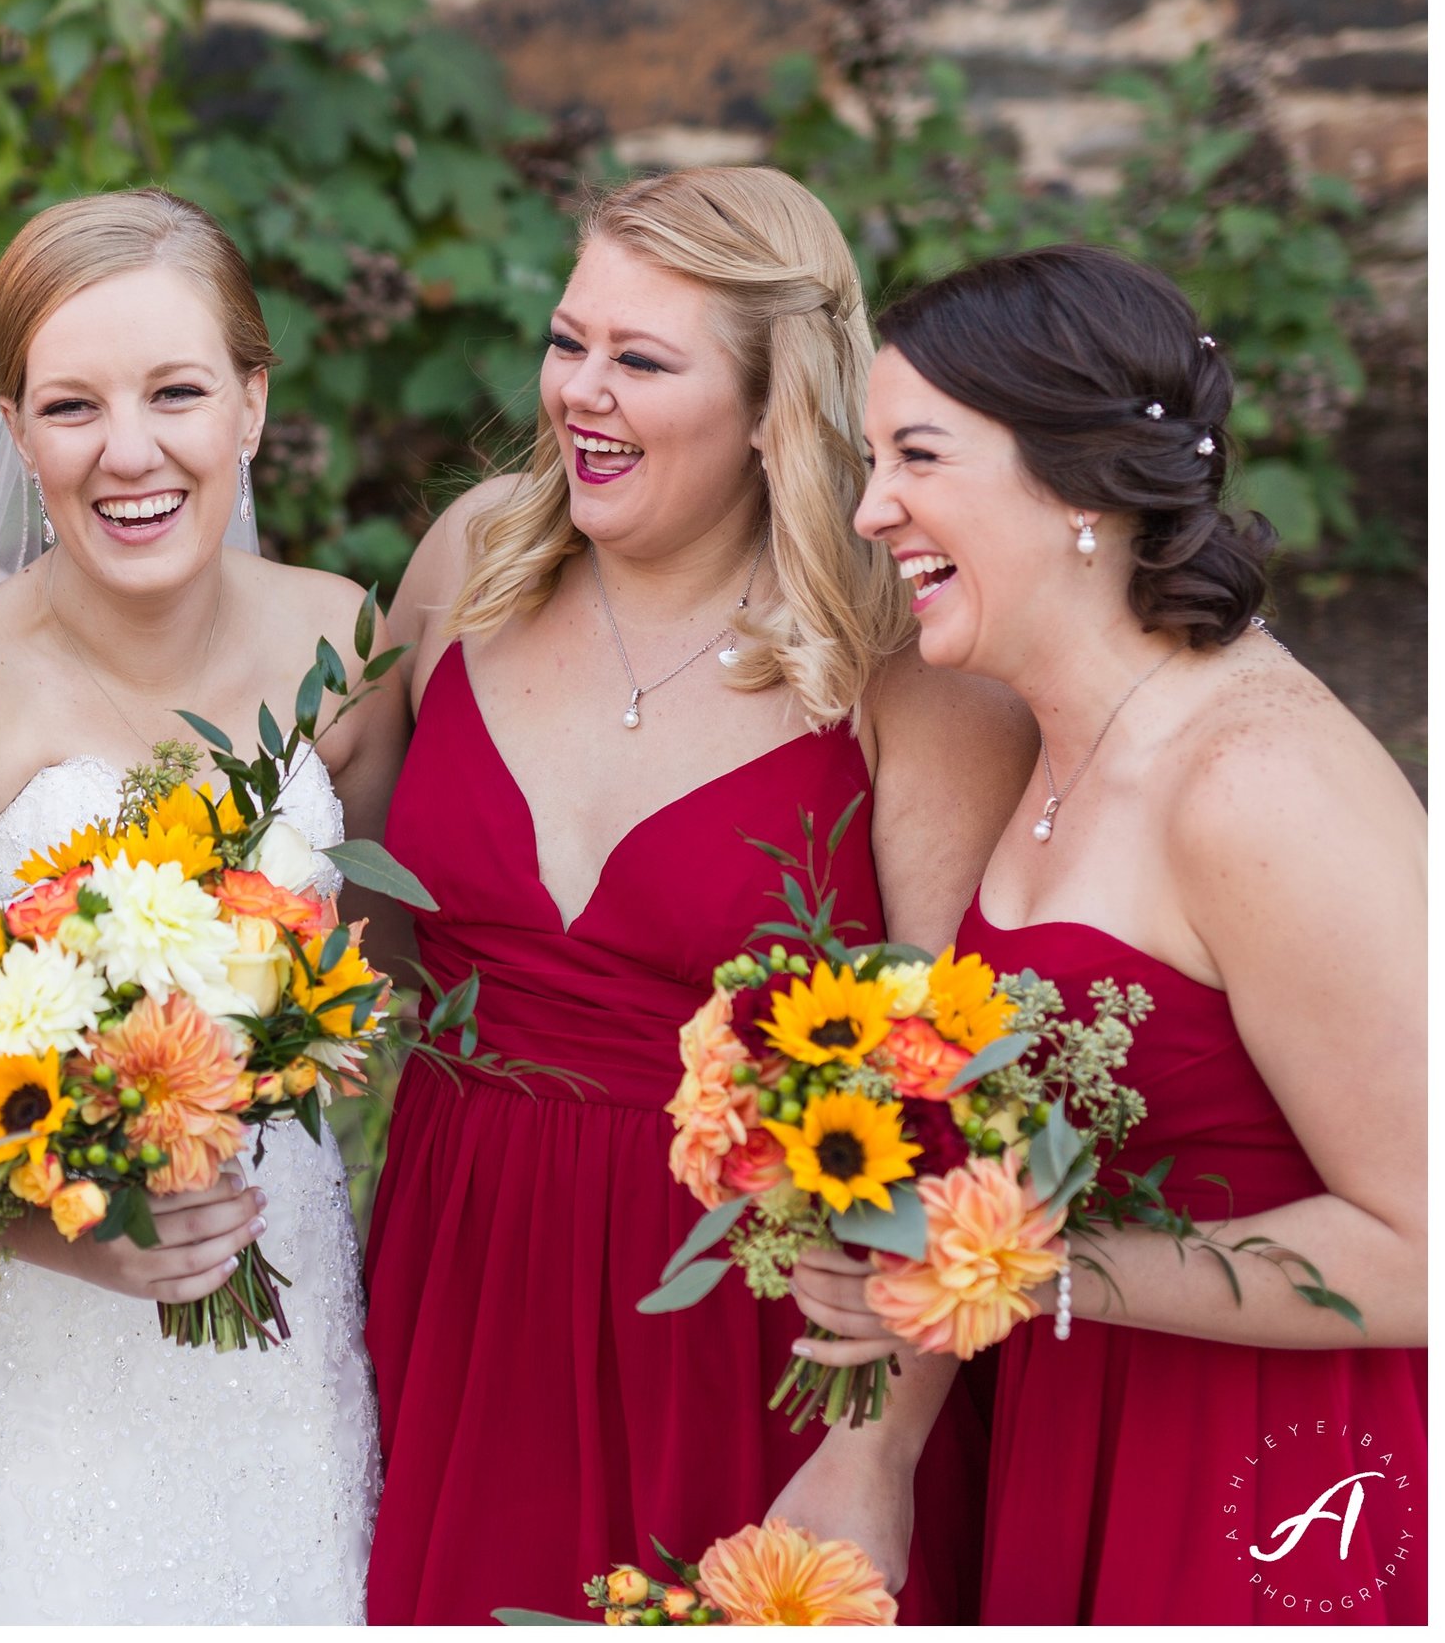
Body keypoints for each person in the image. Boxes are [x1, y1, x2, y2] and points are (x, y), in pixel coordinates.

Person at [363, 167, 1038, 1624]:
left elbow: (969, 1099)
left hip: (749, 1321)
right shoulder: (471, 562)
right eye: (568, 340)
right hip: (460, 1267)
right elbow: (344, 900)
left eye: (641, 360)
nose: (579, 394)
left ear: (766, 407)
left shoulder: (903, 669)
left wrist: (879, 1451)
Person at [790, 243, 1425, 1624]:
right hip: (1084, 1423)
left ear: (1076, 483)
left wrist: (1039, 1277)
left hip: (1272, 1468)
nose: (869, 507)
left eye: (916, 455)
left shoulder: (1259, 781)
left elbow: (1426, 1242)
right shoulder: (1050, 739)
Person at [0, 187, 410, 1622]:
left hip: (280, 1341)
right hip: (32, 1362)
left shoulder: (341, 631)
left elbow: (377, 976)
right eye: (73, 405)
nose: (130, 451)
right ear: (18, 431)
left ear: (254, 406)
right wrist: (58, 1227)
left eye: (176, 392)